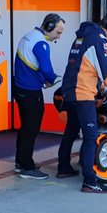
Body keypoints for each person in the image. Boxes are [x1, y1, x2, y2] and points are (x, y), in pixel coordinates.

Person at [57, 13, 107, 193]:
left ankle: (63, 168)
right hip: (82, 94)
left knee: (71, 130)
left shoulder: (82, 36)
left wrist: (99, 86)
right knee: (91, 137)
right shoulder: (99, 39)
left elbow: (85, 66)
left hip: (69, 91)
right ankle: (90, 181)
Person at [13, 13, 65, 180]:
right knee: (31, 129)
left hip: (20, 88)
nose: (59, 36)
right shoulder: (41, 43)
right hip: (31, 91)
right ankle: (27, 167)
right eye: (58, 32)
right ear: (49, 27)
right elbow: (47, 69)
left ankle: (20, 162)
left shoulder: (28, 36)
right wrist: (51, 79)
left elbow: (30, 65)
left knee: (25, 128)